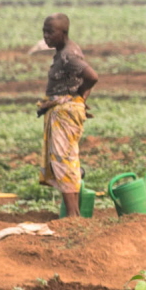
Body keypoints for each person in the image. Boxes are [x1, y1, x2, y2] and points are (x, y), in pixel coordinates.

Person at [37, 14, 99, 217]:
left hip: (65, 113)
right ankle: (73, 213)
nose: (46, 36)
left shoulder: (68, 56)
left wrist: (79, 95)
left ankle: (73, 215)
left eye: (50, 32)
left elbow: (92, 76)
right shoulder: (64, 51)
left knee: (64, 160)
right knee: (64, 159)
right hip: (64, 110)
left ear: (63, 33)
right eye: (44, 31)